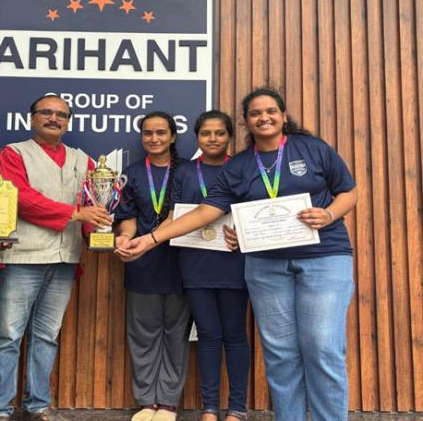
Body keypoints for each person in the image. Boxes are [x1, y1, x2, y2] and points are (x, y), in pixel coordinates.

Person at [120, 88, 357, 421]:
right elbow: (206, 211)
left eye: (270, 111)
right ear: (246, 121)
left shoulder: (312, 148)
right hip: (266, 265)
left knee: (321, 346)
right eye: (255, 113)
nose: (264, 117)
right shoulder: (241, 166)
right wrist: (150, 239)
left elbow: (349, 192)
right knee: (280, 353)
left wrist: (329, 214)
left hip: (323, 257)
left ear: (283, 116)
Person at [0, 95, 112, 421]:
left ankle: (38, 406)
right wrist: (75, 213)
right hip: (22, 257)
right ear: (32, 118)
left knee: (47, 337)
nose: (54, 119)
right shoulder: (14, 153)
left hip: (65, 259)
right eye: (47, 112)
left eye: (61, 115)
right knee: (8, 336)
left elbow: (94, 204)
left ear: (68, 122)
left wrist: (100, 234)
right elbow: (20, 197)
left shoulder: (83, 160)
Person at [170, 111, 249, 421]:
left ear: (230, 136)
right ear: (197, 137)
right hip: (195, 263)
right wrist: (145, 241)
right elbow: (175, 215)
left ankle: (238, 408)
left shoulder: (242, 168)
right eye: (206, 133)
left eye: (219, 133)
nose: (213, 138)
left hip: (234, 262)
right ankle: (210, 408)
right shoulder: (184, 171)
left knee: (235, 335)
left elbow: (253, 210)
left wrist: (243, 234)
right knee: (207, 335)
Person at [114, 111, 191, 421]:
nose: (154, 138)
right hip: (142, 263)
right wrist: (124, 238)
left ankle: (168, 403)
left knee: (176, 335)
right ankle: (147, 402)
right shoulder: (132, 174)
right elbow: (128, 219)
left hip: (182, 264)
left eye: (161, 132)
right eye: (148, 133)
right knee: (142, 335)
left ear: (173, 136)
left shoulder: (188, 171)